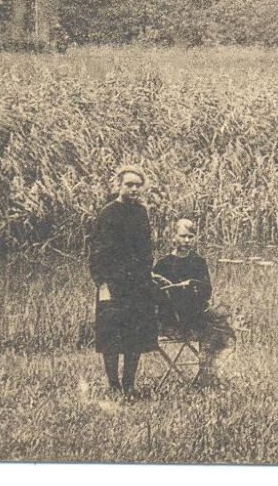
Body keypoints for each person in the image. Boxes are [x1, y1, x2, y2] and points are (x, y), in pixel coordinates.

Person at [89, 165, 159, 395]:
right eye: (129, 184)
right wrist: (103, 285)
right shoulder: (108, 213)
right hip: (113, 284)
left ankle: (129, 384)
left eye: (138, 185)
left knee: (135, 336)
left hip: (137, 284)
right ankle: (114, 385)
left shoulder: (141, 212)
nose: (134, 189)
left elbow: (146, 249)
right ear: (119, 185)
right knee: (111, 336)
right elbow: (98, 253)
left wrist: (146, 277)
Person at [153, 217, 212, 337]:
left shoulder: (198, 262)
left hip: (193, 317)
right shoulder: (163, 263)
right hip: (169, 319)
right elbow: (154, 293)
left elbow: (207, 291)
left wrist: (193, 285)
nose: (186, 240)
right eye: (183, 236)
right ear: (174, 236)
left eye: (190, 237)